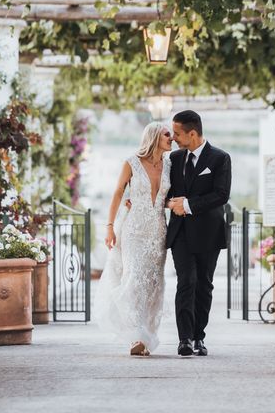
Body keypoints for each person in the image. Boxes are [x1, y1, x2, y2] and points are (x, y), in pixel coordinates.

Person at [95, 122, 172, 356]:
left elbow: (171, 196)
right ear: (154, 137)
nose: (172, 138)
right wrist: (110, 227)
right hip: (134, 231)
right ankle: (134, 335)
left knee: (153, 285)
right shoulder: (132, 162)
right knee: (133, 279)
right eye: (167, 134)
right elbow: (118, 193)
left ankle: (147, 336)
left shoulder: (170, 164)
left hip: (158, 231)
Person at [166, 110, 232, 356]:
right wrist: (165, 203)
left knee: (204, 285)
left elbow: (221, 195)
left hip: (208, 233)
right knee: (186, 282)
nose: (173, 138)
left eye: (177, 133)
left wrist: (189, 204)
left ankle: (198, 337)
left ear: (192, 133)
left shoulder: (220, 158)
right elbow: (165, 192)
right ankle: (184, 339)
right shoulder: (173, 158)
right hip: (180, 233)